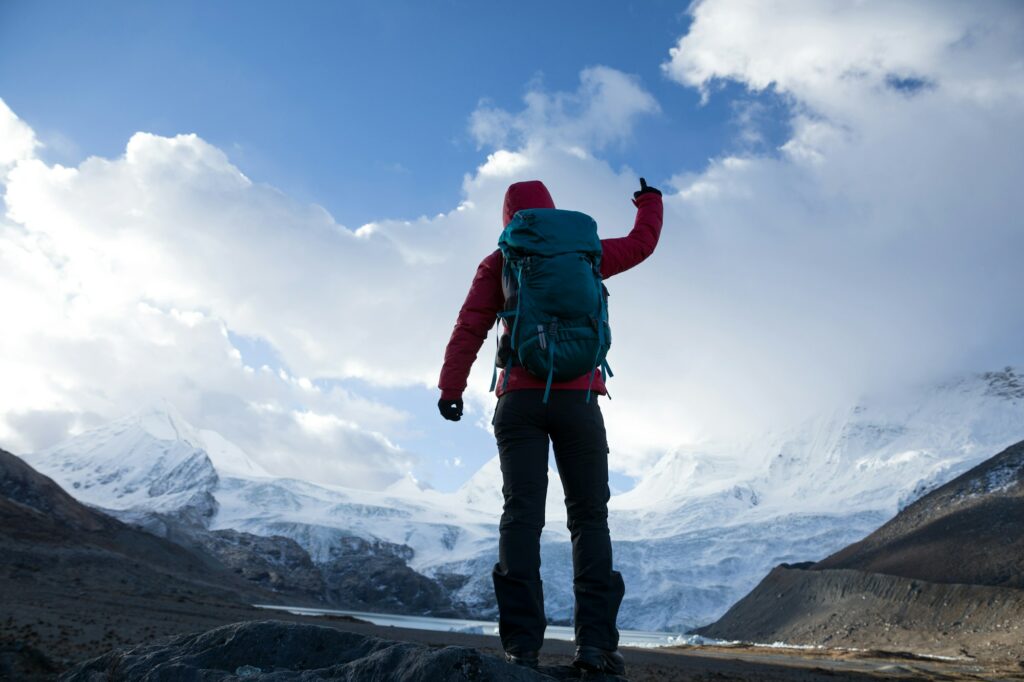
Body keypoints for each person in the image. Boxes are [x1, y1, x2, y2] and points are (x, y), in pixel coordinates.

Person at [437, 178, 663, 675]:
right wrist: (650, 202)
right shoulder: (587, 255)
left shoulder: (500, 262)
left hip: (519, 400)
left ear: (509, 220)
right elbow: (643, 244)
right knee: (590, 520)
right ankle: (596, 648)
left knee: (521, 518)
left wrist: (450, 389)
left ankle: (521, 649)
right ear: (552, 212)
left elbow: (469, 326)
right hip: (580, 400)